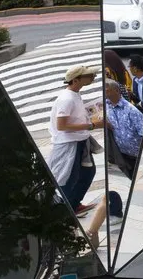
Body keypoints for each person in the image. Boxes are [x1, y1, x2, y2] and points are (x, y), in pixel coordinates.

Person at [47, 66, 103, 216]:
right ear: (75, 80)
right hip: (69, 144)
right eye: (88, 75)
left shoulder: (74, 94)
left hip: (80, 141)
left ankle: (73, 205)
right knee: (68, 178)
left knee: (87, 173)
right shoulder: (67, 99)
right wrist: (91, 125)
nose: (93, 76)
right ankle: (63, 211)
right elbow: (62, 125)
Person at [105, 79, 143, 180]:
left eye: (107, 90)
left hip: (137, 156)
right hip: (122, 155)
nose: (105, 93)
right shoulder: (106, 106)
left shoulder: (131, 110)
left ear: (117, 91)